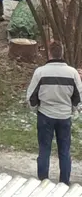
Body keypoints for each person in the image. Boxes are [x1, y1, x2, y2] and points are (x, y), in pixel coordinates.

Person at [26, 40, 82, 185]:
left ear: (49, 54)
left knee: (44, 149)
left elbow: (31, 97)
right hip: (64, 117)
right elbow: (78, 97)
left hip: (45, 115)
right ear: (61, 53)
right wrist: (71, 109)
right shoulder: (72, 73)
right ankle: (64, 183)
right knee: (64, 151)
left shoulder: (40, 72)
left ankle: (43, 181)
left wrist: (36, 109)